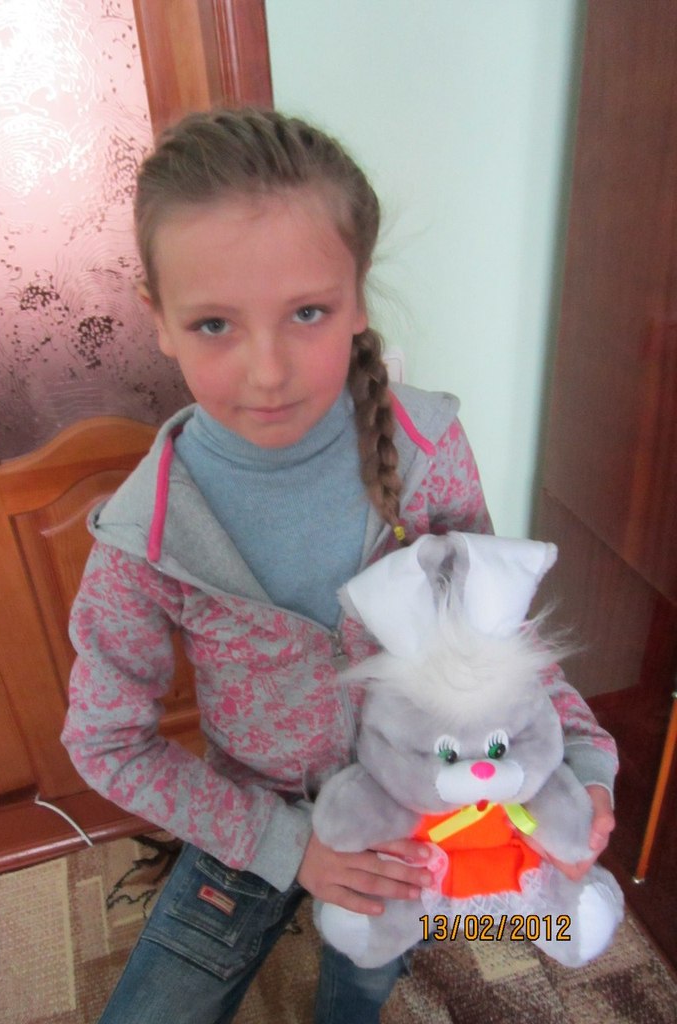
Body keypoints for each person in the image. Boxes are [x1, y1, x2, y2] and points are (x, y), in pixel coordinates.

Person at [61, 108, 617, 1024]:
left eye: (308, 313)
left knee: (360, 986)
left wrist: (585, 762)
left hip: (411, 811)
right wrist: (288, 848)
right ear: (158, 319)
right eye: (214, 324)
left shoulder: (428, 450)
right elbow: (106, 741)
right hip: (254, 817)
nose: (267, 371)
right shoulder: (142, 536)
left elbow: (499, 646)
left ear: (358, 300)